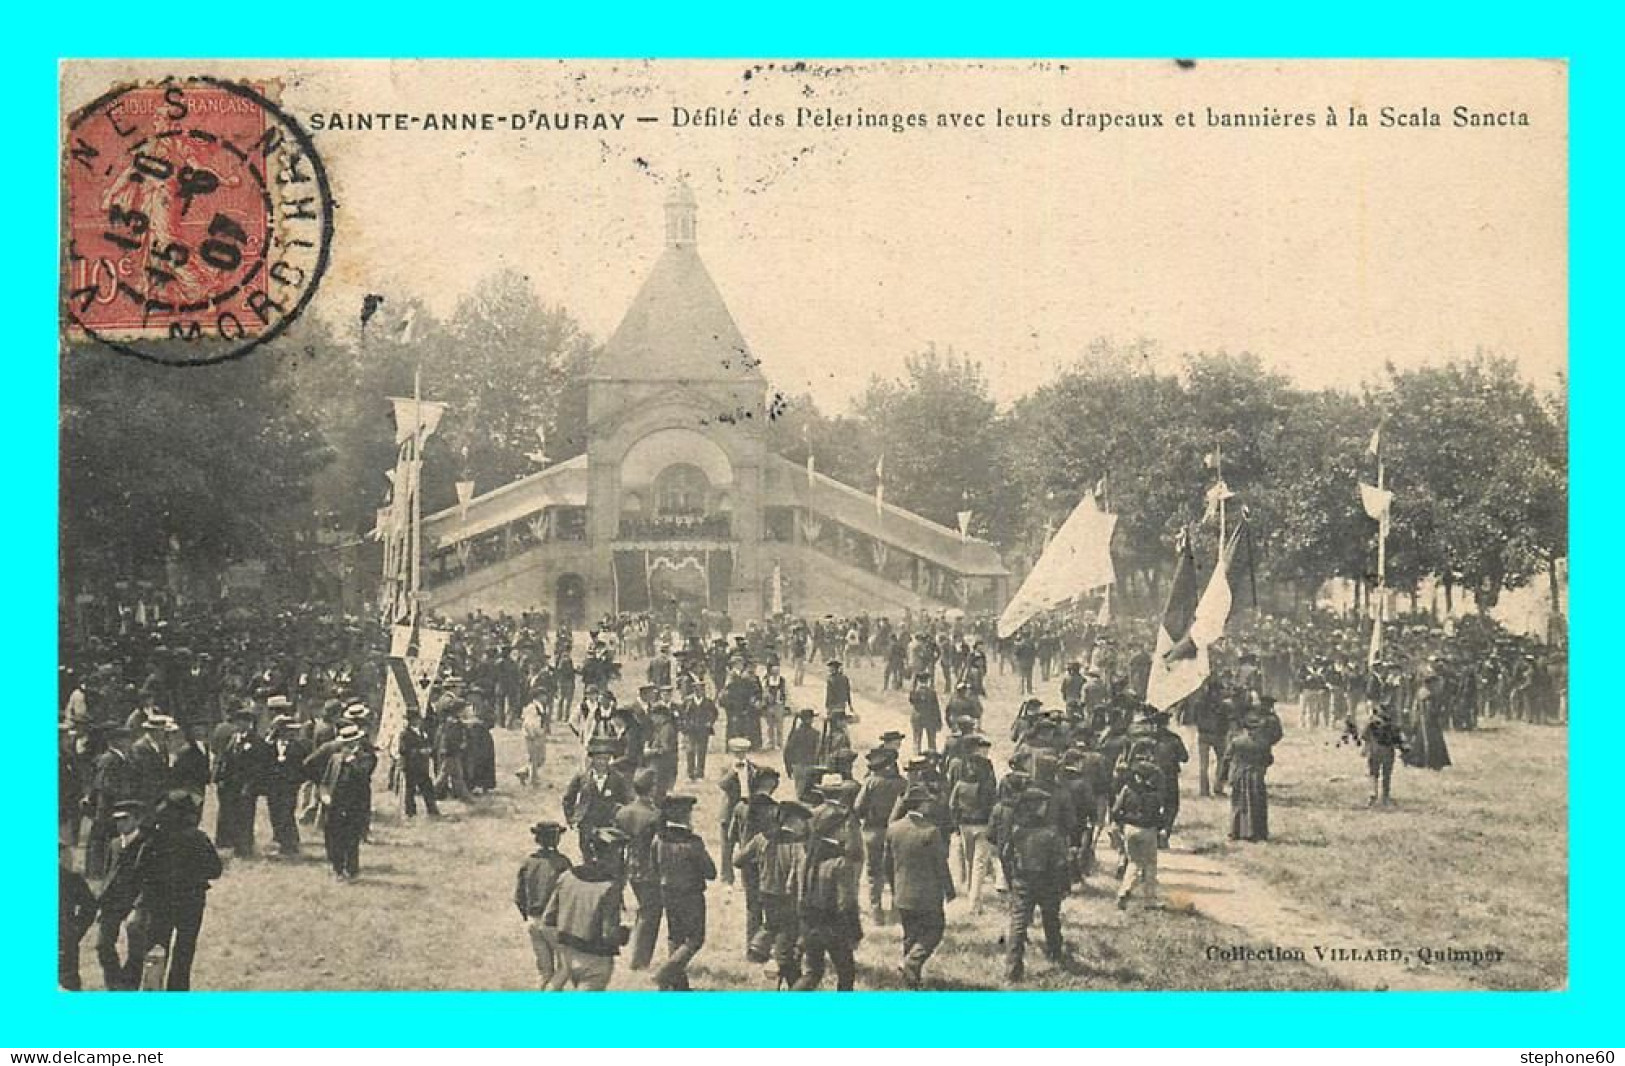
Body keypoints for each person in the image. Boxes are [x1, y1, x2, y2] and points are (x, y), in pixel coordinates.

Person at [107, 790, 223, 991]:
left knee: (157, 949)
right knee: (185, 950)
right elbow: (215, 870)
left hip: (160, 901)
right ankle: (178, 990)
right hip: (192, 901)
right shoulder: (198, 838)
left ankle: (153, 988)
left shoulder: (155, 839)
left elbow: (140, 869)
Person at [542, 825, 630, 991]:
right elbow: (609, 935)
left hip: (568, 956)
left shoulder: (566, 876)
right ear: (616, 854)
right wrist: (625, 934)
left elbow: (548, 919)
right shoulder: (609, 888)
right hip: (596, 961)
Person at [884, 784, 955, 989]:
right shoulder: (931, 832)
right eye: (927, 803)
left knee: (910, 934)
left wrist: (894, 885)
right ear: (920, 805)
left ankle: (910, 980)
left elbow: (886, 864)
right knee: (934, 930)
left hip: (902, 892)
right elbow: (940, 864)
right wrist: (949, 890)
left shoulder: (894, 828)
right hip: (927, 894)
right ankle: (911, 963)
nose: (930, 806)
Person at [998, 786, 1071, 982]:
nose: (1045, 808)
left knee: (1018, 924)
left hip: (1022, 881)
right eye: (1043, 805)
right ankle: (1055, 953)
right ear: (1036, 807)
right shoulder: (1050, 833)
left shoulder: (1017, 831)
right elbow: (1061, 863)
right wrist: (1065, 886)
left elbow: (1005, 855)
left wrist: (1011, 877)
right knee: (1051, 919)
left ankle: (1012, 970)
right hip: (1047, 882)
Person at [735, 797, 809, 986]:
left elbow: (738, 860)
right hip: (789, 898)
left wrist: (759, 864)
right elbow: (800, 875)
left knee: (776, 929)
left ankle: (763, 950)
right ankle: (788, 978)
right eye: (802, 821)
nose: (803, 825)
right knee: (787, 941)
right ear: (793, 820)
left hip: (766, 893)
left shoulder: (761, 839)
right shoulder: (797, 845)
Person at [649, 793, 716, 991]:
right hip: (691, 894)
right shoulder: (693, 842)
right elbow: (710, 872)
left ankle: (679, 986)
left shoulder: (658, 839)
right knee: (695, 939)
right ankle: (665, 973)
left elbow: (654, 867)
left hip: (667, 892)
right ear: (686, 815)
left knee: (675, 937)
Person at [794, 830, 863, 992]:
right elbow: (846, 903)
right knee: (846, 973)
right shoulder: (841, 863)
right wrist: (855, 933)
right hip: (834, 928)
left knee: (813, 973)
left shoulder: (807, 858)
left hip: (809, 924)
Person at [310, 724, 377, 881]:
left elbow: (363, 776)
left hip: (354, 805)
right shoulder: (335, 759)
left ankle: (351, 869)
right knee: (333, 837)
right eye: (346, 744)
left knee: (351, 839)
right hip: (334, 804)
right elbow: (325, 781)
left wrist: (352, 761)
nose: (348, 747)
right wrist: (324, 795)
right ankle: (337, 868)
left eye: (352, 744)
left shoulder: (366, 759)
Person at [615, 768, 665, 971]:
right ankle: (639, 960)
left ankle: (638, 955)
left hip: (630, 867)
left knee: (644, 910)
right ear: (652, 789)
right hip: (650, 869)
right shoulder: (654, 815)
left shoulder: (622, 812)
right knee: (650, 912)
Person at [515, 821, 572, 989]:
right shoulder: (562, 863)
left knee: (545, 972)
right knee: (567, 966)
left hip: (533, 920)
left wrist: (527, 915)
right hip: (554, 921)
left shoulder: (528, 862)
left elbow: (519, 896)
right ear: (556, 840)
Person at [853, 746, 907, 924]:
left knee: (873, 873)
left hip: (873, 831)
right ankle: (895, 912)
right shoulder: (902, 783)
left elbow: (858, 808)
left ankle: (876, 913)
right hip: (897, 831)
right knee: (896, 870)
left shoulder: (871, 782)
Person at [563, 737, 633, 857]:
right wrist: (571, 818)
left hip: (608, 824)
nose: (601, 762)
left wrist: (620, 820)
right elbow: (568, 799)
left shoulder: (617, 778)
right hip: (587, 824)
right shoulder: (582, 777)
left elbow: (626, 801)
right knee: (587, 855)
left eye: (605, 759)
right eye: (598, 759)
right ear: (592, 759)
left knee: (608, 856)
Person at [1110, 754, 1164, 909]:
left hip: (1129, 829)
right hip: (1148, 831)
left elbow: (1115, 810)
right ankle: (1149, 899)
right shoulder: (1154, 793)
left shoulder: (1127, 790)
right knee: (1150, 864)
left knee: (1133, 862)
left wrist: (1122, 823)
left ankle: (1124, 890)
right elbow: (1159, 815)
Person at [213, 706, 267, 858]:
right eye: (239, 721)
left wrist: (250, 785)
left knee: (246, 815)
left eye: (244, 721)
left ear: (249, 723)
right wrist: (221, 778)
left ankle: (245, 846)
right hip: (232, 784)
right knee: (233, 814)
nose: (240, 724)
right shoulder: (234, 739)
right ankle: (235, 843)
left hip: (246, 785)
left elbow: (258, 767)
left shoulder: (256, 741)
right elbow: (226, 759)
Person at [1225, 698, 1282, 843]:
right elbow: (1269, 759)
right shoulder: (1263, 742)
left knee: (1238, 803)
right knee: (1257, 804)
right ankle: (1256, 832)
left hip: (1238, 773)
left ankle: (1235, 831)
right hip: (1256, 775)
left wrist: (1226, 776)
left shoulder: (1237, 741)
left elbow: (1227, 758)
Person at [263, 715, 309, 857]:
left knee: (287, 812)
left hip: (289, 786)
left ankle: (289, 844)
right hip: (273, 786)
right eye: (288, 730)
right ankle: (280, 839)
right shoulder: (269, 746)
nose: (291, 734)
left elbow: (304, 767)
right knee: (275, 813)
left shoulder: (298, 747)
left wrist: (296, 780)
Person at [59, 840, 98, 990]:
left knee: (68, 983)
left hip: (64, 941)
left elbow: (90, 906)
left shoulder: (70, 879)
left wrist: (75, 930)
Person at [398, 709, 441, 818]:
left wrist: (428, 749)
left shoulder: (422, 733)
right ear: (410, 721)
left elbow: (428, 744)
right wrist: (418, 751)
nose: (418, 721)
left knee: (427, 787)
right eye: (415, 719)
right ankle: (410, 812)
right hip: (411, 766)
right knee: (410, 790)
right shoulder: (405, 734)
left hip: (422, 766)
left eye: (418, 719)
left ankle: (432, 810)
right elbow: (403, 750)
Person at [1361, 704, 1406, 806]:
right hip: (1387, 751)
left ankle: (1374, 793)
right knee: (1385, 775)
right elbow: (1399, 740)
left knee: (1374, 773)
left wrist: (1365, 748)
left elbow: (1365, 736)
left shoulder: (1371, 723)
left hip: (1375, 750)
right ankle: (1384, 796)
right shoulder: (1393, 725)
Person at [908, 671, 943, 755]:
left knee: (917, 739)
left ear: (919, 681)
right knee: (931, 740)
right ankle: (932, 756)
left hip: (917, 717)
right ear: (927, 681)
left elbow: (911, 700)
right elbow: (936, 708)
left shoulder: (915, 692)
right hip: (929, 717)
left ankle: (916, 756)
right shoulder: (932, 692)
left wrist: (914, 685)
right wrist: (939, 720)